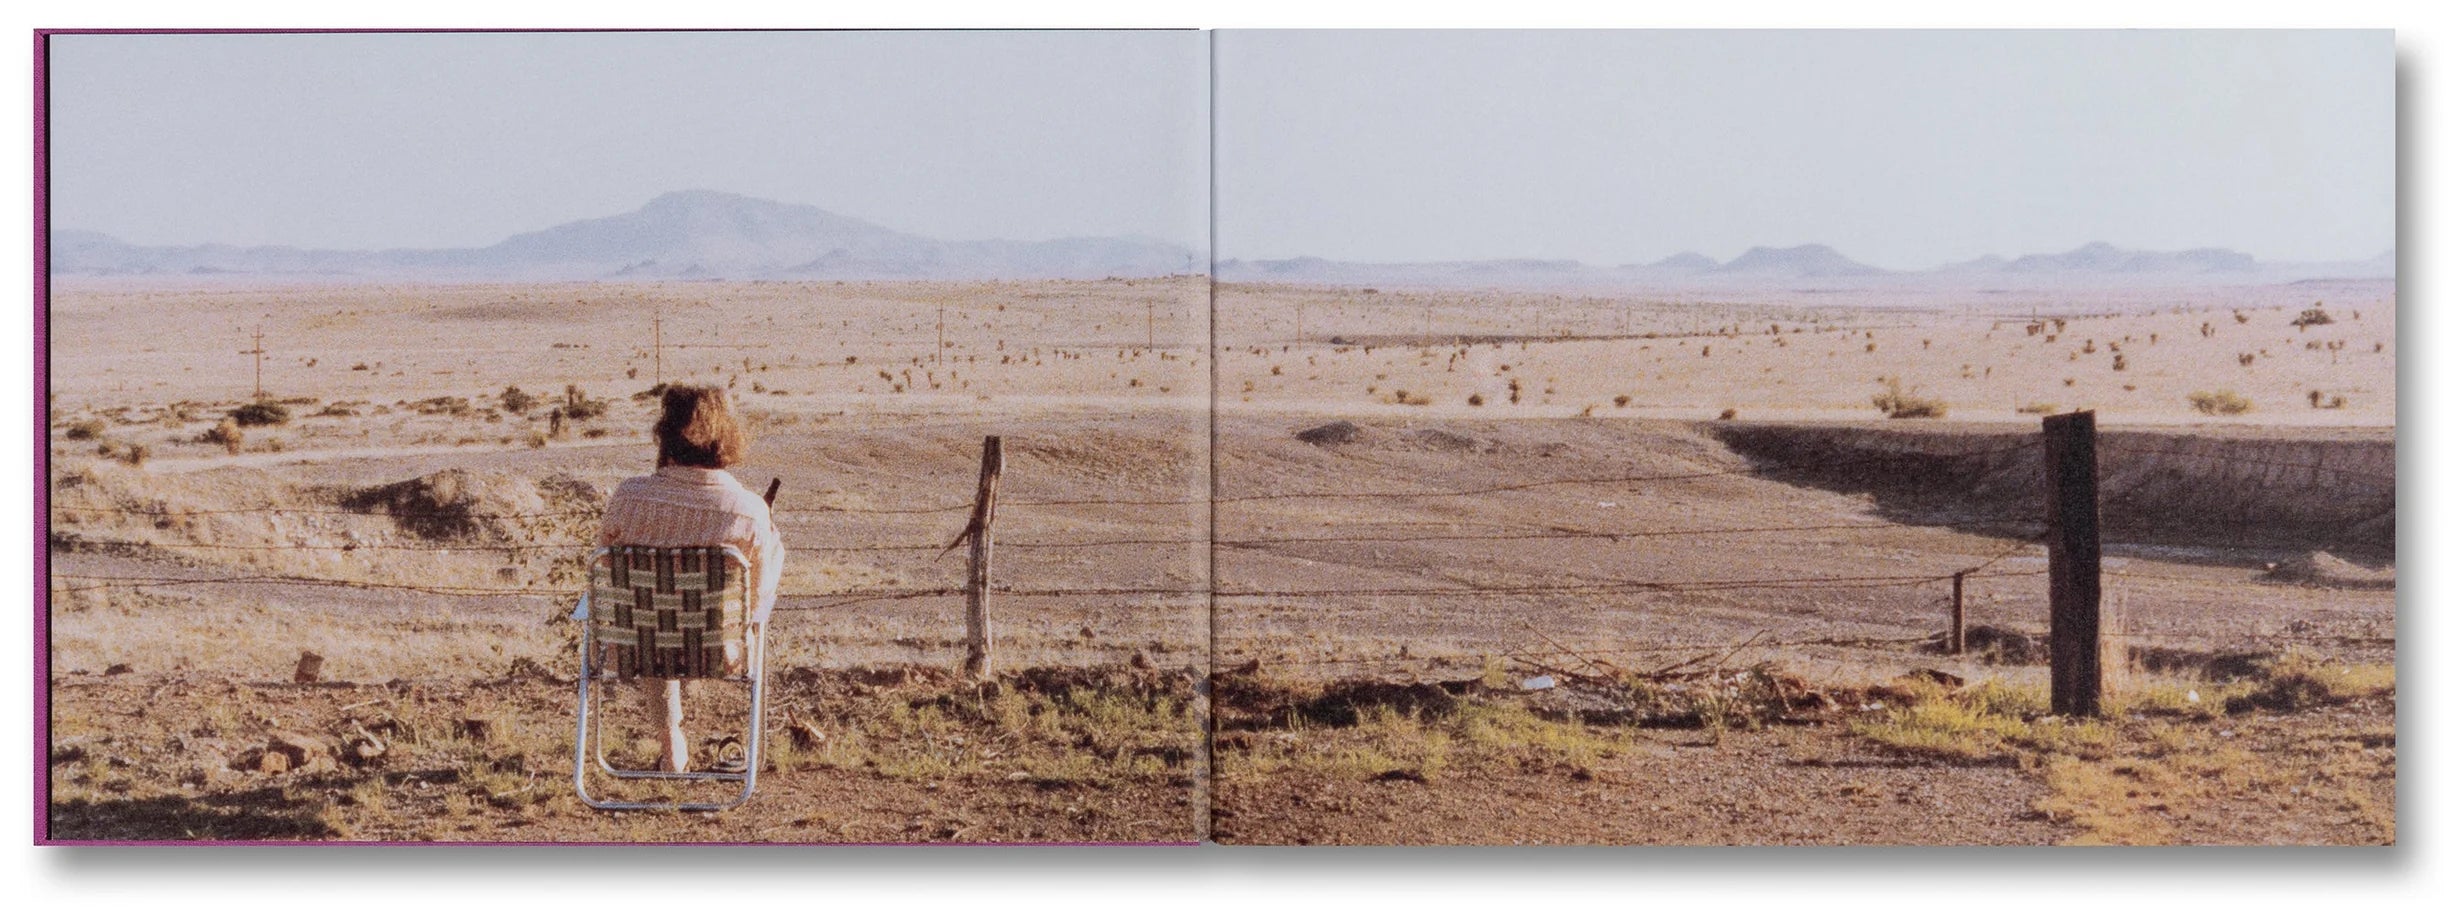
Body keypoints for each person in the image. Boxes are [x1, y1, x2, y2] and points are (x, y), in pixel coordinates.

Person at [595, 385, 784, 772]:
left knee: (652, 610)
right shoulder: (748, 510)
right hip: (720, 650)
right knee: (767, 553)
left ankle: (671, 744)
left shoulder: (628, 498)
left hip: (638, 646)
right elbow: (758, 599)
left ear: (664, 433)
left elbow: (604, 563)